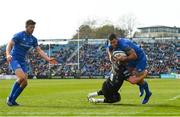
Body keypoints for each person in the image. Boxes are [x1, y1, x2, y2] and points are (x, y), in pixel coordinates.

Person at [6, 19, 57, 106]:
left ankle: (13, 101)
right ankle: (9, 98)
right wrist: (8, 54)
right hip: (14, 59)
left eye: (33, 27)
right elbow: (10, 44)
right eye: (31, 27)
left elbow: (39, 50)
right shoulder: (19, 35)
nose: (32, 29)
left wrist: (48, 59)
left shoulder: (33, 39)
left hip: (22, 61)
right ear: (26, 27)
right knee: (21, 77)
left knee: (25, 83)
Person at [107, 33, 152, 104]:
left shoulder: (123, 45)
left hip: (139, 58)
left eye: (114, 42)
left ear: (117, 39)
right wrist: (111, 57)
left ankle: (148, 93)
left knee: (136, 75)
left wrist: (123, 58)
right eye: (111, 43)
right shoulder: (111, 45)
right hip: (130, 59)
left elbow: (135, 56)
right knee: (125, 75)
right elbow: (109, 51)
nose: (113, 44)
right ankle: (141, 85)